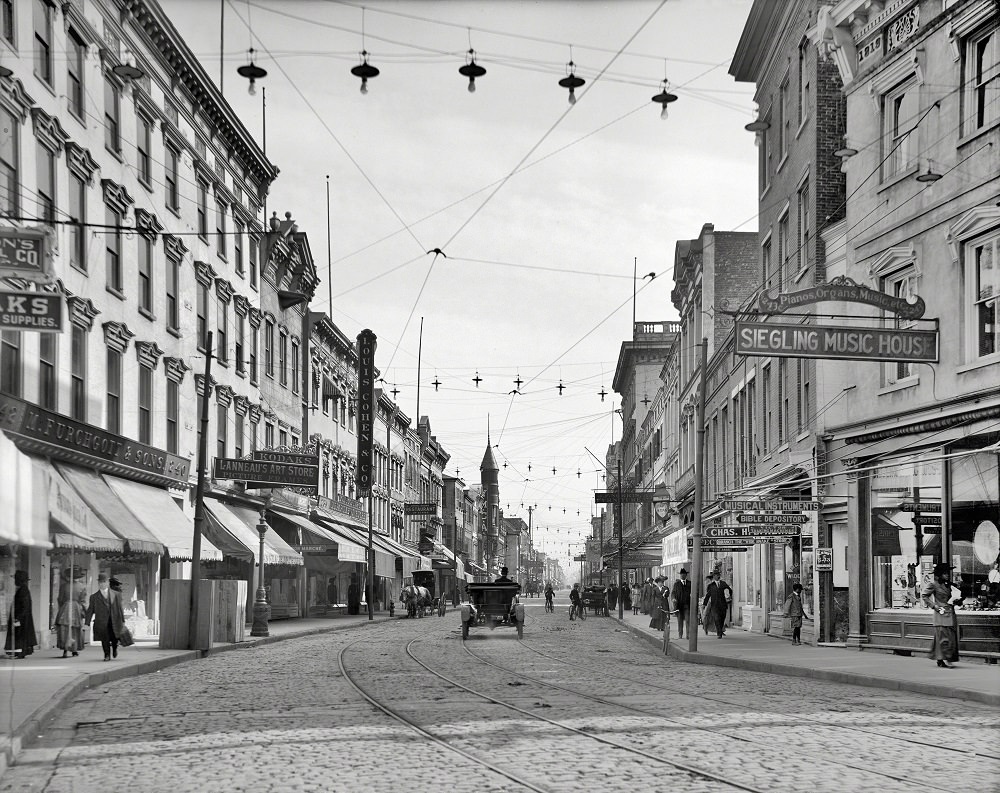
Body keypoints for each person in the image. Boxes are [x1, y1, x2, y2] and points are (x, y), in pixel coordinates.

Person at [921, 562, 960, 669]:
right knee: (943, 637)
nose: (947, 575)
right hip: (941, 614)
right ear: (940, 574)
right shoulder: (934, 584)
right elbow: (924, 596)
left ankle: (941, 658)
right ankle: (947, 659)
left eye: (947, 573)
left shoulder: (950, 585)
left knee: (949, 637)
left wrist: (957, 600)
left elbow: (953, 598)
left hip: (950, 614)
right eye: (945, 573)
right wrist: (935, 607)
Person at [85, 574, 125, 662]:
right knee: (105, 638)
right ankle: (107, 655)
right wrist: (87, 623)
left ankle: (114, 648)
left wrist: (122, 620)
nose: (102, 584)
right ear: (98, 584)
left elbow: (120, 608)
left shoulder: (116, 594)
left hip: (114, 620)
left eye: (104, 582)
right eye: (100, 582)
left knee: (115, 637)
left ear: (107, 583)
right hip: (102, 621)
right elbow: (90, 610)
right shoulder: (94, 597)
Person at [4, 570, 36, 659]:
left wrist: (18, 618)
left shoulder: (23, 590)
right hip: (23, 617)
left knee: (20, 635)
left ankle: (20, 652)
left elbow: (24, 605)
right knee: (20, 635)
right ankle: (20, 652)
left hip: (21, 618)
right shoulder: (23, 589)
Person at [56, 587, 87, 658]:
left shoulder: (64, 586)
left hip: (65, 608)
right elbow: (83, 600)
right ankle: (74, 650)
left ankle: (65, 649)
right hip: (76, 609)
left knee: (65, 630)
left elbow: (60, 599)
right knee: (75, 630)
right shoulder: (81, 586)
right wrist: (83, 610)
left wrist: (63, 605)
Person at [703, 570, 732, 638]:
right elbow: (708, 595)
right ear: (713, 577)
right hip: (714, 605)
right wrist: (705, 603)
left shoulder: (723, 584)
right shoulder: (711, 586)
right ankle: (719, 633)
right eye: (715, 575)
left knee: (722, 619)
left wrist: (729, 597)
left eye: (718, 575)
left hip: (723, 605)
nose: (717, 576)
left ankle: (720, 630)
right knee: (716, 618)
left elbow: (730, 591)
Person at [670, 568, 692, 639]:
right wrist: (673, 599)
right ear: (680, 575)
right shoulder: (677, 584)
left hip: (687, 605)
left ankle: (688, 634)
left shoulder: (690, 583)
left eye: (684, 574)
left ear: (686, 575)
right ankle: (680, 634)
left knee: (688, 620)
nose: (682, 575)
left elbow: (694, 592)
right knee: (680, 621)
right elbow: (673, 593)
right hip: (679, 606)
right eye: (681, 574)